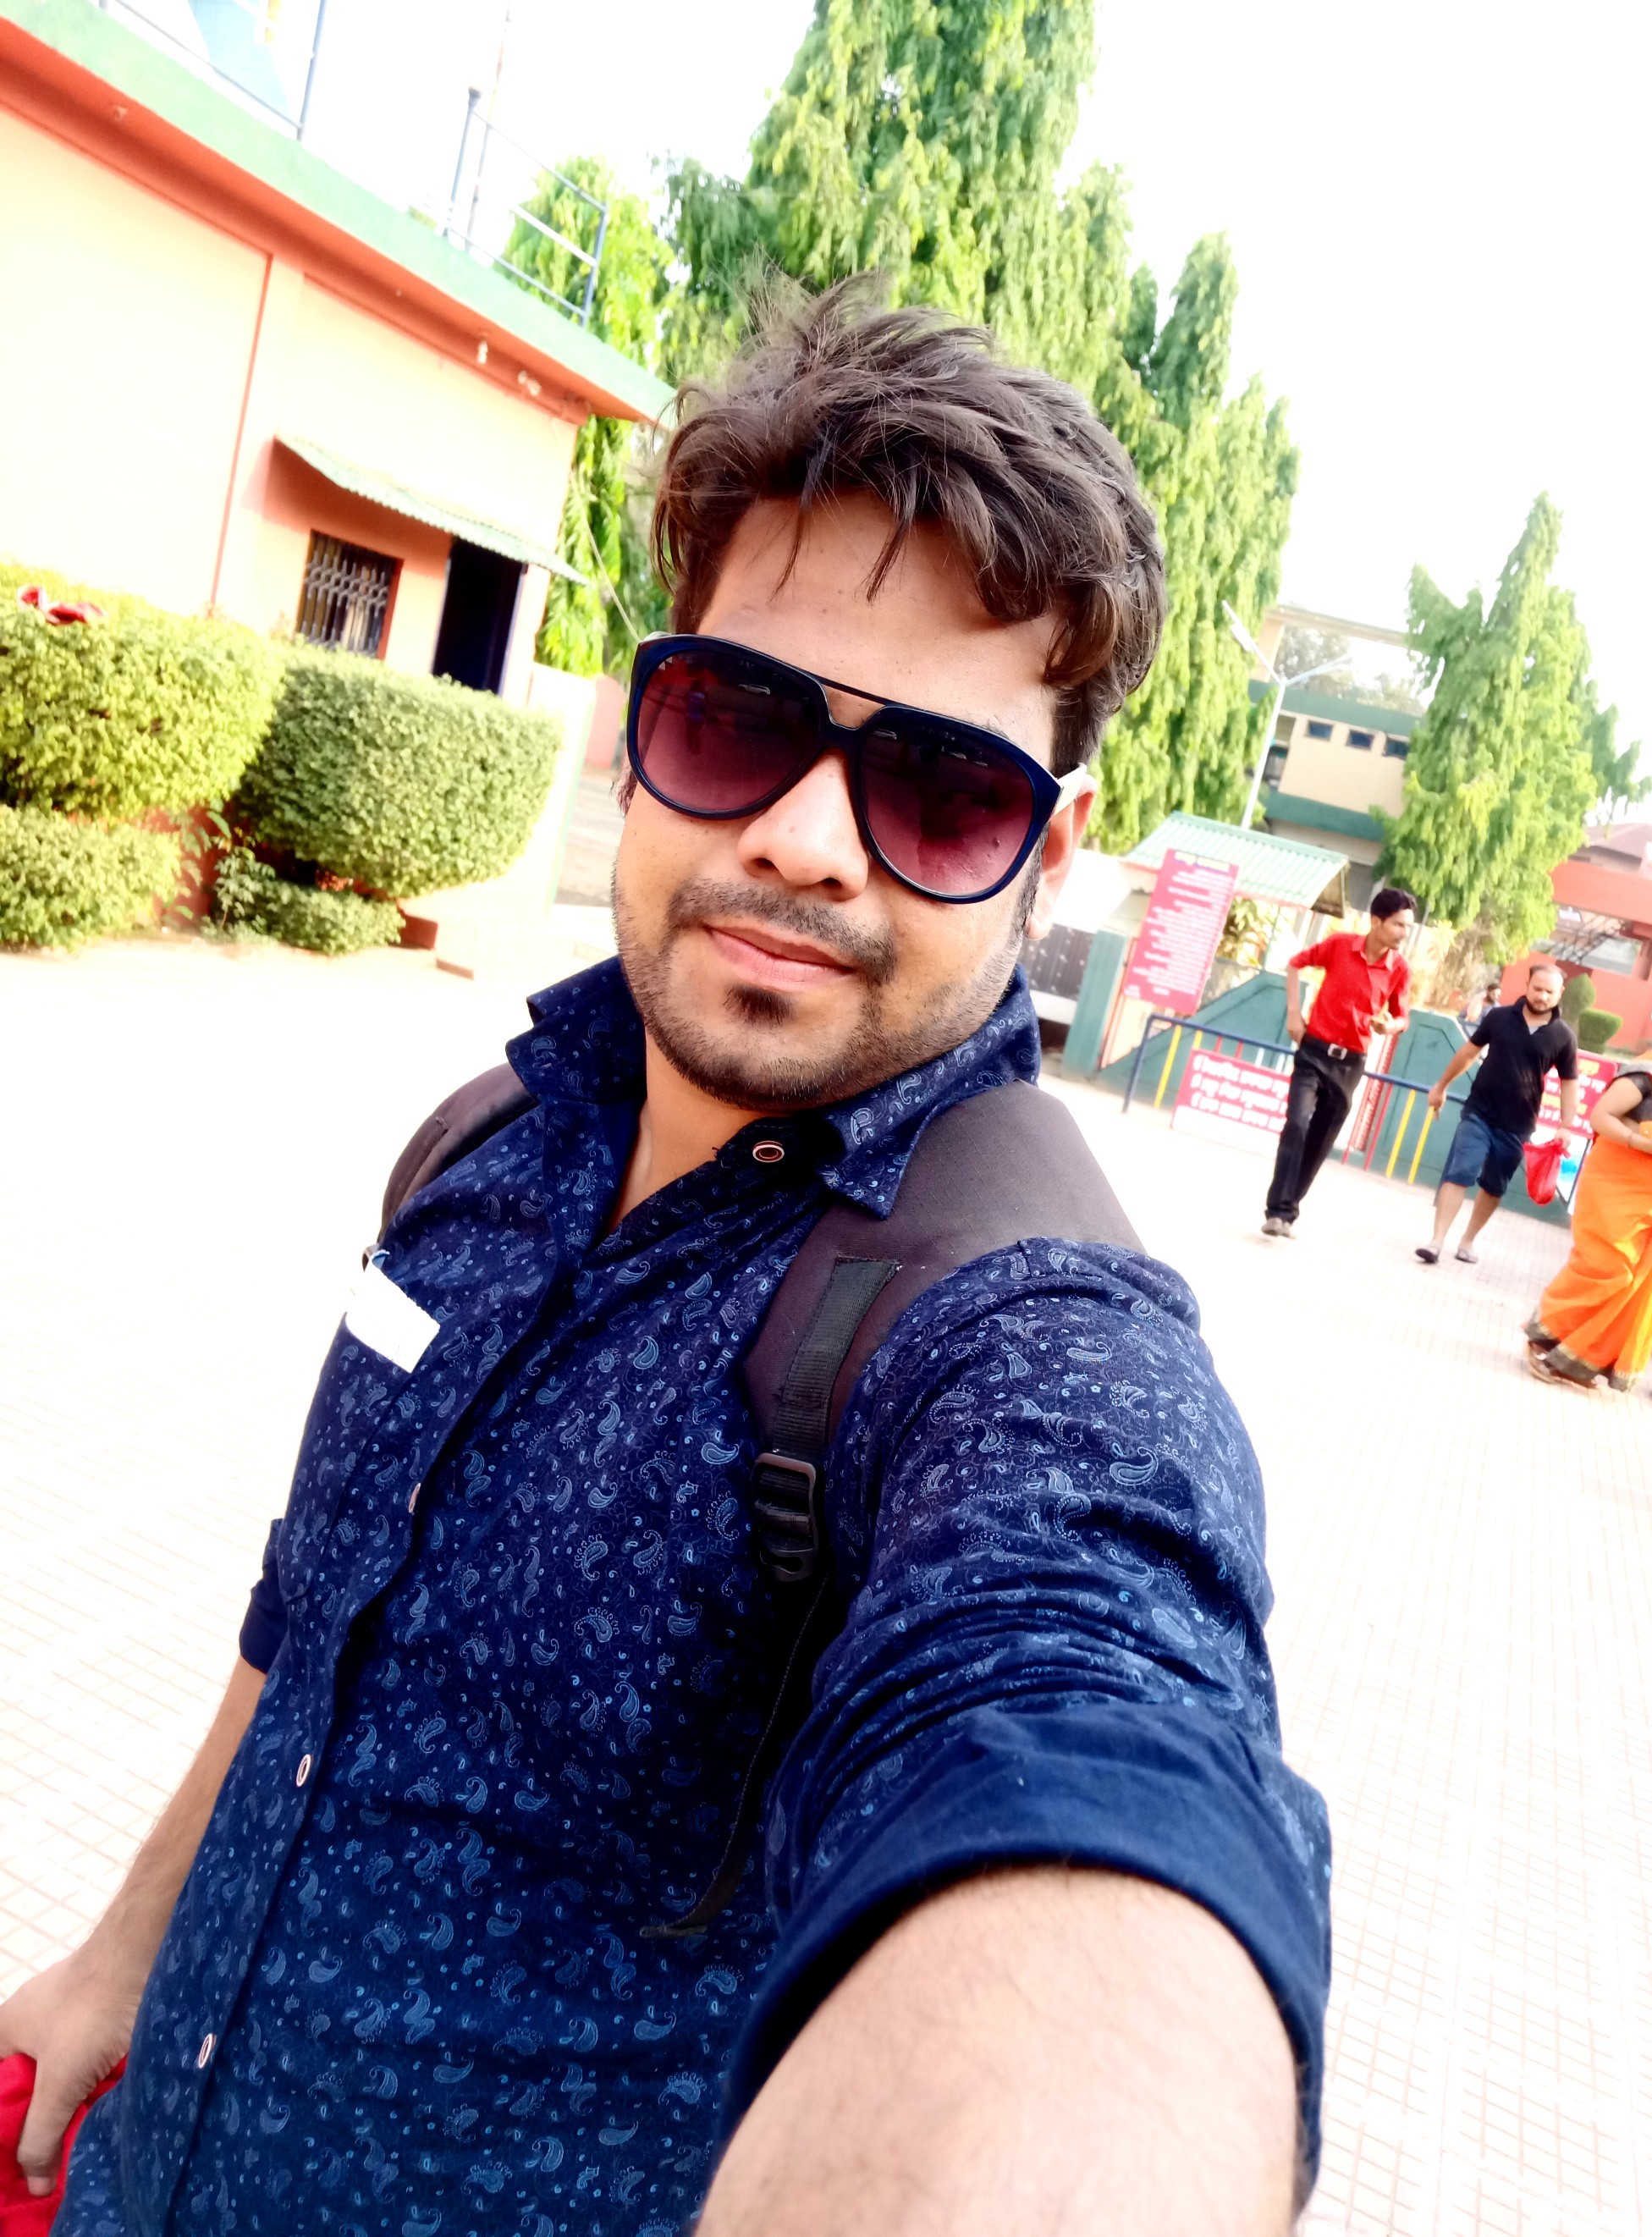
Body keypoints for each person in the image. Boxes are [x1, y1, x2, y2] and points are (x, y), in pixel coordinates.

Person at [0, 286, 1330, 2237]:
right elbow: (308, 1628)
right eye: (738, 720)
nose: (806, 838)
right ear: (641, 723)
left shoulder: (1019, 1337)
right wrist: (123, 1951)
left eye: (940, 788)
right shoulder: (487, 1142)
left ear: (1049, 849)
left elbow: (1098, 1730)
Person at [1525, 1018, 1652, 1390]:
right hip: (1617, 1188)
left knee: (1631, 1281)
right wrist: (1644, 1144)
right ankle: (1543, 1337)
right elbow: (1600, 1116)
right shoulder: (1650, 1075)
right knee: (1607, 1268)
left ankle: (1574, 1360)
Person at [1261, 887, 1417, 1236]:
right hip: (1313, 1052)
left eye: (1408, 926)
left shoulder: (1400, 969)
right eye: (1398, 924)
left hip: (1351, 1065)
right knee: (1297, 1123)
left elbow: (1402, 1017)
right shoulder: (1339, 945)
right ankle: (1276, 1211)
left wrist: (1389, 1025)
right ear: (1376, 921)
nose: (1404, 933)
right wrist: (1294, 1013)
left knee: (1320, 1140)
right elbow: (1295, 964)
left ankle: (1288, 1213)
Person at [1416, 958, 1578, 1265]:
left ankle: (1467, 1241)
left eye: (1549, 992)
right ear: (1527, 986)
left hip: (1518, 1124)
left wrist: (1566, 1125)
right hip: (1479, 1111)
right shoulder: (1499, 1017)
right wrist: (1441, 1086)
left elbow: (1570, 1083)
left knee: (1494, 1186)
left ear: (1560, 994)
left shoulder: (1563, 1036)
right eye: (1538, 988)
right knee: (1460, 1171)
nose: (1542, 996)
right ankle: (1436, 1241)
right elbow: (1468, 1053)